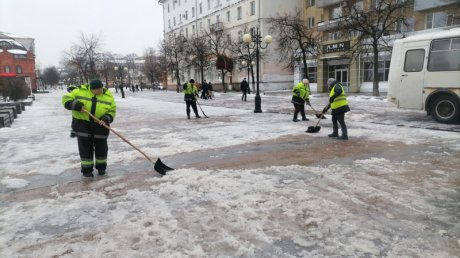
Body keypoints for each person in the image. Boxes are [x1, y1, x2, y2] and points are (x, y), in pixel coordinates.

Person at [62, 79, 117, 177]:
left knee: (102, 149)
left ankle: (101, 168)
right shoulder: (79, 92)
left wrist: (106, 118)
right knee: (85, 149)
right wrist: (76, 105)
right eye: (97, 89)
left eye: (101, 88)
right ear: (91, 89)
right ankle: (87, 170)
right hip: (83, 126)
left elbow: (112, 111)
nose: (100, 91)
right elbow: (65, 99)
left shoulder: (108, 96)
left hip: (100, 127)